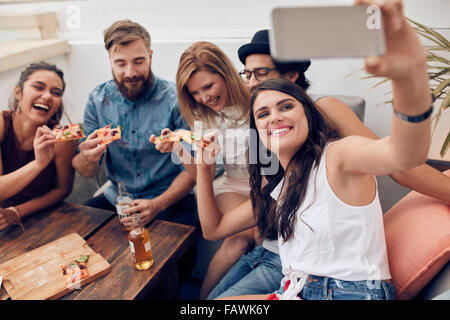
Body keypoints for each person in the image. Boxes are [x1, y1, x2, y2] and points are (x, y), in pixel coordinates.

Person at [195, 0, 433, 300]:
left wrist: (410, 79)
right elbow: (215, 229)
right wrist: (202, 167)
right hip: (295, 282)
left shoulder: (336, 154)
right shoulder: (282, 181)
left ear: (305, 107)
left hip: (343, 290)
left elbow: (401, 156)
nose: (252, 85)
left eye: (285, 105)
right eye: (263, 113)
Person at [150, 41, 257, 299]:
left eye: (208, 86)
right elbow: (201, 176)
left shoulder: (258, 98)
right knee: (239, 240)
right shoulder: (201, 116)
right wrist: (178, 149)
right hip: (232, 185)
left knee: (263, 239)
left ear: (227, 74)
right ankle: (201, 300)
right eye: (195, 92)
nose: (204, 97)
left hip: (266, 184)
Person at [71, 20, 198, 231]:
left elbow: (193, 170)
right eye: (121, 63)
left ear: (150, 56)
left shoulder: (176, 99)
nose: (130, 72)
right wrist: (86, 157)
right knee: (76, 232)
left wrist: (157, 205)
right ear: (110, 61)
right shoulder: (97, 100)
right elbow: (86, 171)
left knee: (180, 257)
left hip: (171, 199)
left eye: (138, 61)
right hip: (117, 200)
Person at [0, 62, 76, 231]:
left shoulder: (62, 137)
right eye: (38, 87)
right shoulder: (1, 125)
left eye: (56, 93)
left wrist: (16, 212)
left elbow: (63, 189)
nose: (47, 96)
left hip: (44, 217)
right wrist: (38, 164)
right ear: (19, 92)